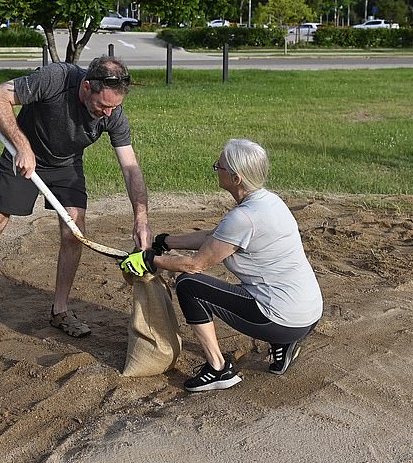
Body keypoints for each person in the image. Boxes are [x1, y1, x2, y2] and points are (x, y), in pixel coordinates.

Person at [0, 56, 152, 337]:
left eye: (115, 107)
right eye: (103, 106)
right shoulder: (55, 79)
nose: (109, 113)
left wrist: (141, 218)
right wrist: (22, 146)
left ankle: (60, 310)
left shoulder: (113, 114)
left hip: (66, 165)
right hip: (23, 154)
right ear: (86, 87)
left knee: (73, 232)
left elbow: (130, 168)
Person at [120, 139, 322, 392]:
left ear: (236, 178)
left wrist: (149, 261)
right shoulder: (269, 202)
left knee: (189, 284)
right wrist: (164, 242)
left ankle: (219, 368)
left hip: (282, 319)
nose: (216, 168)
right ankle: (283, 343)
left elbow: (195, 265)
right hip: (307, 315)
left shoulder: (244, 217)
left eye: (220, 166)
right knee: (247, 288)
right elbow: (215, 237)